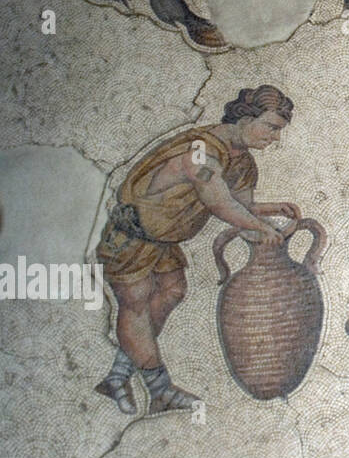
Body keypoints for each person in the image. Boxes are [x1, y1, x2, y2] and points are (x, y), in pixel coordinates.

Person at [94, 85, 300, 414]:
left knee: (173, 292)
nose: (274, 138)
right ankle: (159, 389)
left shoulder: (244, 163)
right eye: (272, 127)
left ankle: (118, 376)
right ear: (246, 118)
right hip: (131, 237)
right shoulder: (200, 152)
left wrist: (272, 209)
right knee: (136, 306)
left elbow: (242, 205)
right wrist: (261, 227)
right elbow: (218, 201)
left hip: (162, 242)